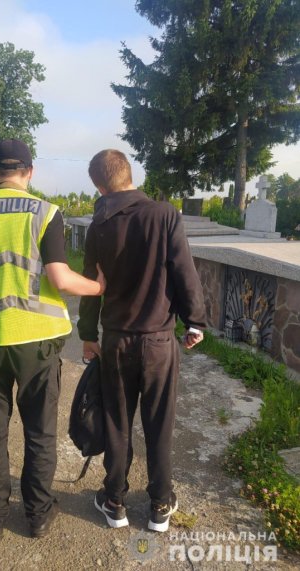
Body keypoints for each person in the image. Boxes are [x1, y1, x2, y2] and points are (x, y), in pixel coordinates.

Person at [0, 139, 105, 542]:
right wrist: (98, 286)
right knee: (39, 431)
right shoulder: (45, 212)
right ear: (29, 172)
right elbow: (60, 279)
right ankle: (37, 515)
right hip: (38, 341)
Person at [77, 149, 206, 533]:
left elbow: (91, 285)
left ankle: (114, 501)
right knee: (159, 424)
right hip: (159, 342)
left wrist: (88, 335)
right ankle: (160, 505)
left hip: (117, 341)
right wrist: (195, 321)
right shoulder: (165, 214)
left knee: (117, 422)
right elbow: (184, 270)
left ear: (99, 186)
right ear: (130, 174)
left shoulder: (98, 225)